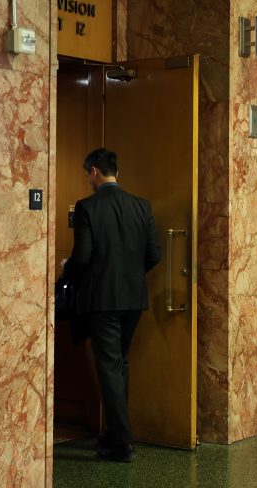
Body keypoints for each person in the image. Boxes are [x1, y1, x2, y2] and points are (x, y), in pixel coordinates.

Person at [62, 148, 161, 462]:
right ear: (115, 171)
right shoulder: (141, 206)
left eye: (87, 175)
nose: (88, 181)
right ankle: (113, 434)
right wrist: (130, 276)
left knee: (109, 367)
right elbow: (154, 254)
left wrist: (68, 269)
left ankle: (122, 443)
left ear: (93, 171)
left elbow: (83, 257)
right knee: (119, 365)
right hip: (133, 300)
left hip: (102, 301)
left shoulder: (87, 207)